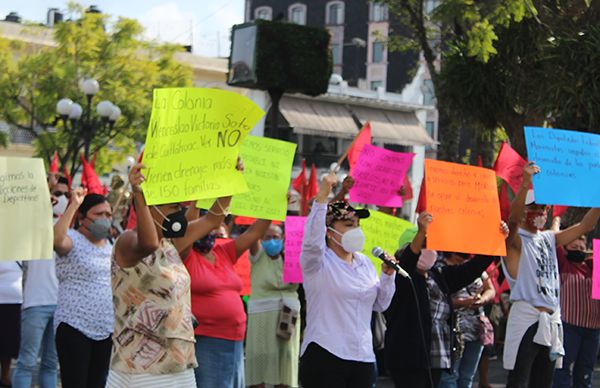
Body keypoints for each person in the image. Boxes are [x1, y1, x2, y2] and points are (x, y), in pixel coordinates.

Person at [107, 163, 235, 387]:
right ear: (151, 208)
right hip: (140, 366)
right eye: (173, 207)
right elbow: (148, 243)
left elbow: (213, 220)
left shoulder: (171, 243)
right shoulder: (127, 241)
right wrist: (139, 193)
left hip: (178, 361)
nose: (180, 213)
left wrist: (231, 178)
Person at [503, 163, 600, 388]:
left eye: (545, 207)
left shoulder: (549, 238)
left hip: (551, 322)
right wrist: (526, 181)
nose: (542, 212)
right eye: (536, 207)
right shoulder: (515, 241)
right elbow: (514, 219)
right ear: (527, 210)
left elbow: (585, 225)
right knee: (518, 382)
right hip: (527, 319)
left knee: (543, 383)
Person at [299, 172, 397, 388]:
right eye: (348, 224)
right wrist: (324, 194)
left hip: (362, 357)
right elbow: (312, 240)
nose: (356, 230)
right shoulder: (317, 262)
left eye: (357, 224)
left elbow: (380, 304)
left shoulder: (365, 263)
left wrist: (388, 276)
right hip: (326, 353)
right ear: (329, 231)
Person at [385, 215, 506, 388]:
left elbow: (471, 269)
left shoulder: (438, 275)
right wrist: (421, 233)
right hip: (409, 360)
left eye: (431, 245)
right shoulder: (401, 276)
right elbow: (409, 261)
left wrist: (496, 241)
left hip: (436, 357)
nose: (429, 250)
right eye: (424, 245)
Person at [184, 213, 272, 388]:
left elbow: (254, 233)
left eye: (216, 231)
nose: (212, 233)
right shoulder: (186, 255)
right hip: (206, 340)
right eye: (208, 229)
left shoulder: (223, 252)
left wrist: (273, 204)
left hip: (235, 341)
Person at [53, 189, 114, 388]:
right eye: (99, 214)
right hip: (74, 326)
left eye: (108, 214)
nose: (105, 219)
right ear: (82, 217)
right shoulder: (71, 239)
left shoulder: (110, 246)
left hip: (105, 329)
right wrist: (73, 204)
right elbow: (56, 241)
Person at [12, 177, 69, 388]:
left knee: (51, 363)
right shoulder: (30, 227)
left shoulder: (64, 230)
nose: (58, 198)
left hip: (60, 305)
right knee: (26, 362)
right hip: (35, 303)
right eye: (55, 193)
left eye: (63, 194)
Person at [245, 224, 300, 388]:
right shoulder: (258, 253)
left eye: (275, 237)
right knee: (260, 358)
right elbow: (254, 233)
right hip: (262, 314)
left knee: (286, 359)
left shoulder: (292, 256)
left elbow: (298, 231)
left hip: (288, 313)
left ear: (283, 239)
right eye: (267, 237)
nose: (272, 241)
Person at [439, 252, 496, 388]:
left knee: (467, 376)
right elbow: (436, 299)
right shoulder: (440, 267)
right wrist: (462, 302)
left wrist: (483, 299)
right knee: (450, 376)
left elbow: (491, 290)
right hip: (452, 329)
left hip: (476, 328)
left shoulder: (474, 265)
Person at [553, 232, 600, 388]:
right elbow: (556, 243)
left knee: (585, 371)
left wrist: (590, 256)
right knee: (563, 368)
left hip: (593, 329)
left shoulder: (593, 269)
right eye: (574, 247)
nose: (578, 250)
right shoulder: (564, 265)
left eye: (581, 247)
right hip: (569, 326)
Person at [0, 261, 23, 388]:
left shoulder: (22, 253)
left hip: (16, 301)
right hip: (3, 299)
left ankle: (5, 376)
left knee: (9, 342)